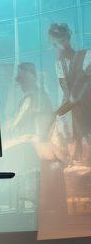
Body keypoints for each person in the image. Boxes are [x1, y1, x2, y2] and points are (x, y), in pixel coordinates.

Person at [48, 22, 91, 163]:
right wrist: (60, 119)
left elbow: (76, 95)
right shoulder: (59, 64)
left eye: (60, 41)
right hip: (75, 116)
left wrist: (57, 114)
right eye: (54, 44)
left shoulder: (86, 56)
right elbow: (65, 94)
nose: (57, 48)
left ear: (67, 39)